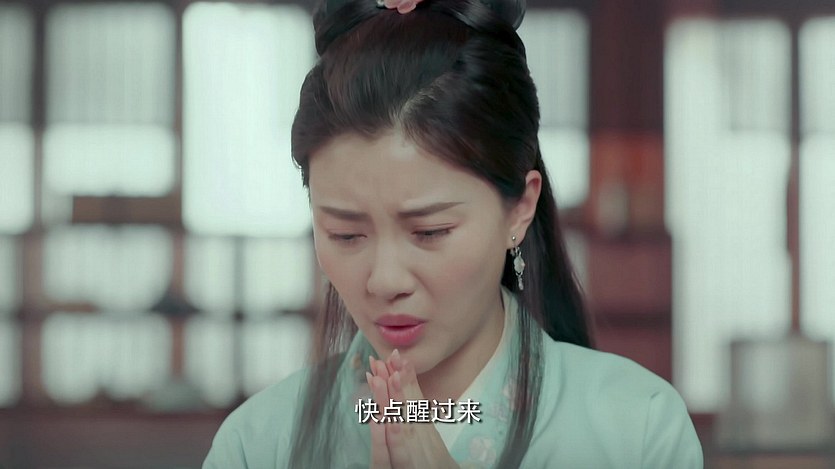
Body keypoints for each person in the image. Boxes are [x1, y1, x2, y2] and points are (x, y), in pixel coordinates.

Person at [203, 0, 704, 466]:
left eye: (430, 231)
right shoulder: (257, 444)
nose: (385, 281)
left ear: (519, 208)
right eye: (346, 234)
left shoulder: (638, 431)